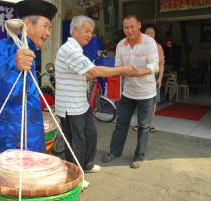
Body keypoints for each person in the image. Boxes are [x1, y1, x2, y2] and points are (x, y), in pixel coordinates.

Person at [55, 15, 150, 188]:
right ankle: (75, 177)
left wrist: (100, 72)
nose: (90, 35)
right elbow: (95, 71)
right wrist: (123, 69)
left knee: (91, 134)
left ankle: (88, 164)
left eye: (91, 32)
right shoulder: (69, 49)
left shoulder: (77, 49)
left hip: (80, 103)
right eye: (86, 31)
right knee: (76, 142)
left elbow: (89, 73)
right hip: (69, 106)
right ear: (74, 30)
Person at [0, 0, 57, 156]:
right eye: (45, 26)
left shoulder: (29, 52)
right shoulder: (4, 48)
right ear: (26, 24)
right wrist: (12, 64)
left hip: (34, 135)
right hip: (10, 137)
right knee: (9, 177)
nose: (48, 33)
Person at [101, 15, 159, 169]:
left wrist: (140, 72)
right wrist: (122, 71)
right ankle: (114, 151)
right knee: (121, 123)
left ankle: (139, 156)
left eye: (132, 26)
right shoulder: (121, 45)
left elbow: (155, 65)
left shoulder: (149, 42)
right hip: (128, 92)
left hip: (147, 93)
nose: (129, 30)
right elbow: (118, 66)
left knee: (143, 126)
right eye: (126, 27)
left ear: (139, 25)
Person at [133, 25, 165, 133]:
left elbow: (161, 64)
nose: (149, 35)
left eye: (152, 33)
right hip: (140, 77)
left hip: (153, 77)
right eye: (147, 33)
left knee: (153, 102)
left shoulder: (158, 47)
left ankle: (148, 125)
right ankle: (139, 124)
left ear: (155, 35)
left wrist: (160, 79)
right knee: (140, 100)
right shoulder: (138, 45)